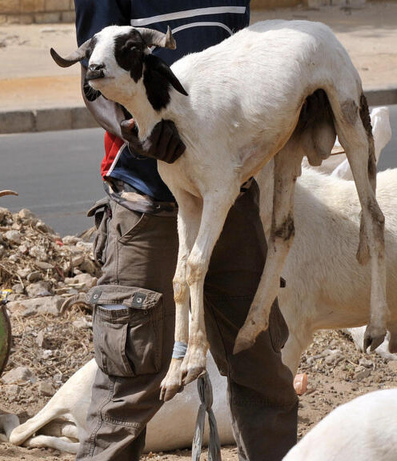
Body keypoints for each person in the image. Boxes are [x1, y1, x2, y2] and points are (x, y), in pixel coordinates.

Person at [73, 2, 299, 460]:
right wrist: (135, 134)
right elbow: (93, 80)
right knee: (129, 380)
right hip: (147, 207)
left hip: (228, 200)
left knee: (260, 368)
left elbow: (242, 70)